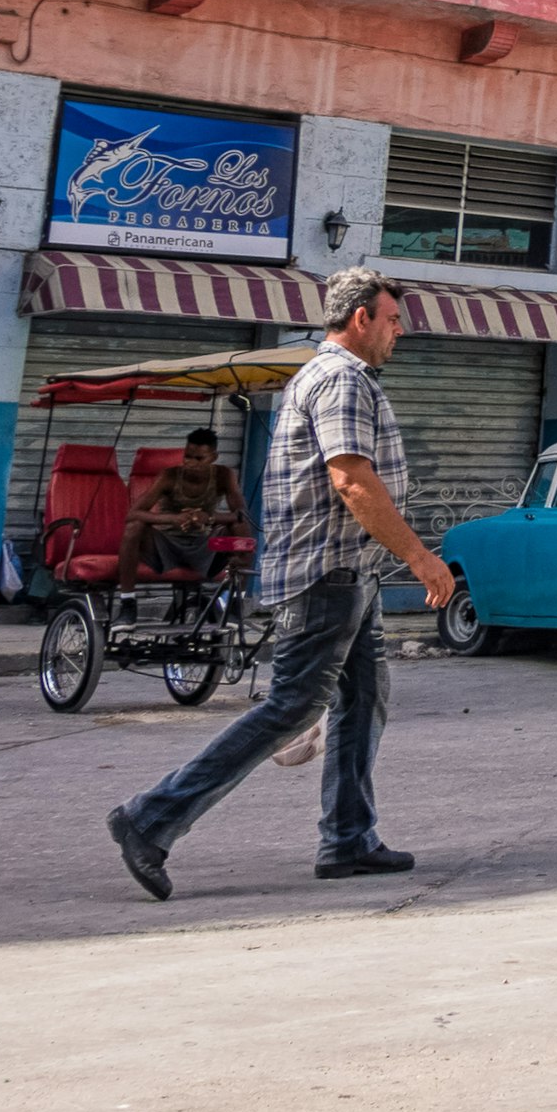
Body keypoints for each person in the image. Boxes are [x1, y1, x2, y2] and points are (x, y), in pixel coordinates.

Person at [107, 268, 457, 901]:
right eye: (393, 320)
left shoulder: (338, 378)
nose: (400, 332)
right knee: (293, 705)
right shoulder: (341, 380)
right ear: (361, 320)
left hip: (353, 575)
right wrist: (420, 557)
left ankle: (348, 838)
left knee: (362, 701)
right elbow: (351, 480)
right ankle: (151, 817)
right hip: (326, 575)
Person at [107, 428, 246, 597]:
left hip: (205, 546)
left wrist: (208, 518)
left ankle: (235, 599)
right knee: (134, 527)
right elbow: (133, 514)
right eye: (187, 456)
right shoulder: (169, 476)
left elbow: (241, 515)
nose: (191, 463)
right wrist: (173, 519)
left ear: (213, 458)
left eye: (199, 458)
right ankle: (127, 600)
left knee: (241, 530)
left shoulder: (224, 475)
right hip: (165, 546)